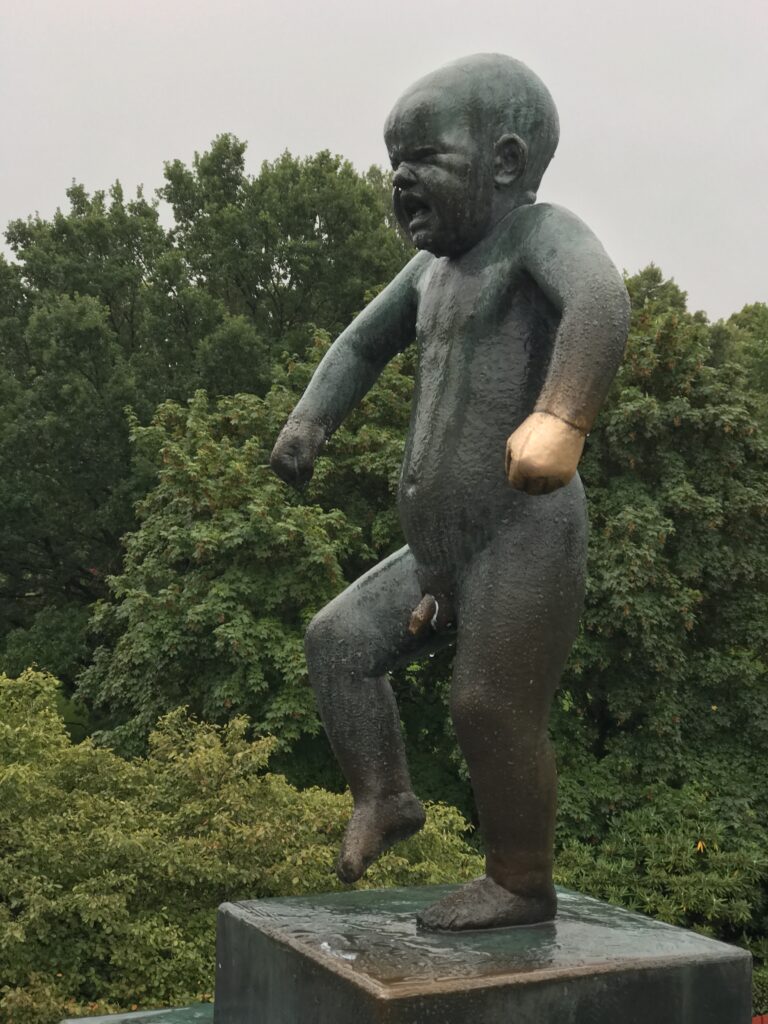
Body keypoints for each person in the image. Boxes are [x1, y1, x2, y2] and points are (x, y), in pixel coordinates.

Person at [270, 53, 630, 931]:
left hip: (524, 534)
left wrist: (562, 417)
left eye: (426, 158)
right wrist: (309, 421)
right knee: (339, 641)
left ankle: (519, 879)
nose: (401, 180)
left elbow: (601, 300)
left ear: (505, 161)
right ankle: (385, 795)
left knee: (487, 704)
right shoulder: (431, 272)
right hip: (441, 554)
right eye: (395, 160)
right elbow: (360, 344)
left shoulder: (537, 236)